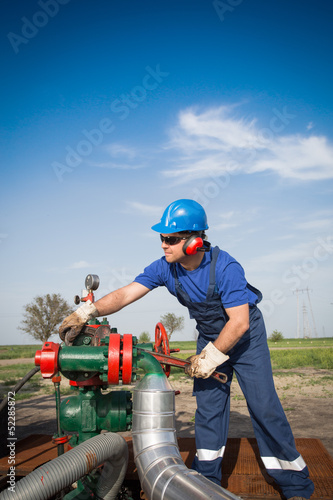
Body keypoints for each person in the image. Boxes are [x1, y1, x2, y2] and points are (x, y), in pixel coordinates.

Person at [59, 199, 314, 500]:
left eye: (170, 239)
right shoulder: (167, 268)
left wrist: (211, 358)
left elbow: (240, 323)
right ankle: (206, 479)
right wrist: (87, 311)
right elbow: (128, 292)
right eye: (162, 238)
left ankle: (295, 484)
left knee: (264, 407)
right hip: (210, 337)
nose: (164, 245)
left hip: (246, 342)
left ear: (194, 241)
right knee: (208, 409)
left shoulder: (226, 268)